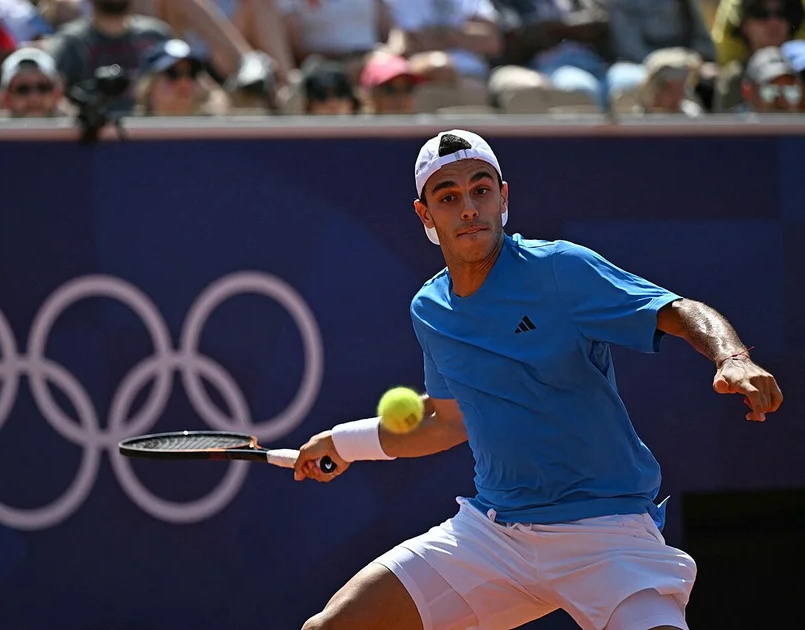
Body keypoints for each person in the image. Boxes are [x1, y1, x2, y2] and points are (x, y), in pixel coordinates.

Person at [293, 129, 783, 630]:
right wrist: (346, 442)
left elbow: (678, 311)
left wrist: (733, 357)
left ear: (503, 197)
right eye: (449, 197)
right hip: (494, 535)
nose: (468, 208)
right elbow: (447, 420)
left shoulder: (559, 269)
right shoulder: (430, 309)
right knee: (332, 627)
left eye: (481, 190)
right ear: (426, 216)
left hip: (604, 532)